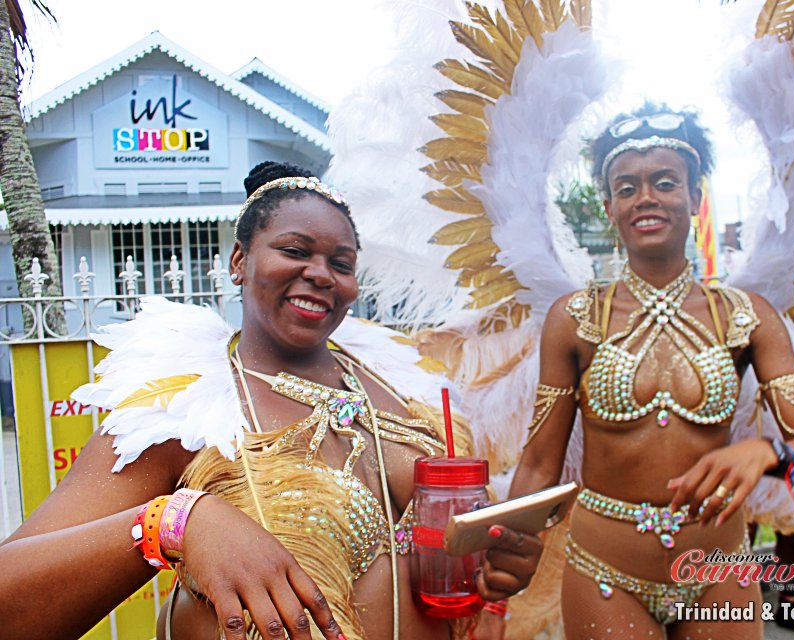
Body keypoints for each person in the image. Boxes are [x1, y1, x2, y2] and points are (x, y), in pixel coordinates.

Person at [0, 161, 543, 640]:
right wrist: (176, 523)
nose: (320, 274)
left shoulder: (406, 393)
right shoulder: (185, 409)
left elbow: (447, 564)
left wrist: (490, 571)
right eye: (294, 251)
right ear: (239, 261)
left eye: (342, 262)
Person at [508, 104, 794, 639]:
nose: (647, 198)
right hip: (603, 572)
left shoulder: (747, 315)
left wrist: (767, 451)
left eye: (665, 182)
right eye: (627, 186)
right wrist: (502, 540)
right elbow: (541, 464)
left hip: (719, 570)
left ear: (695, 198)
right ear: (610, 206)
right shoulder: (573, 319)